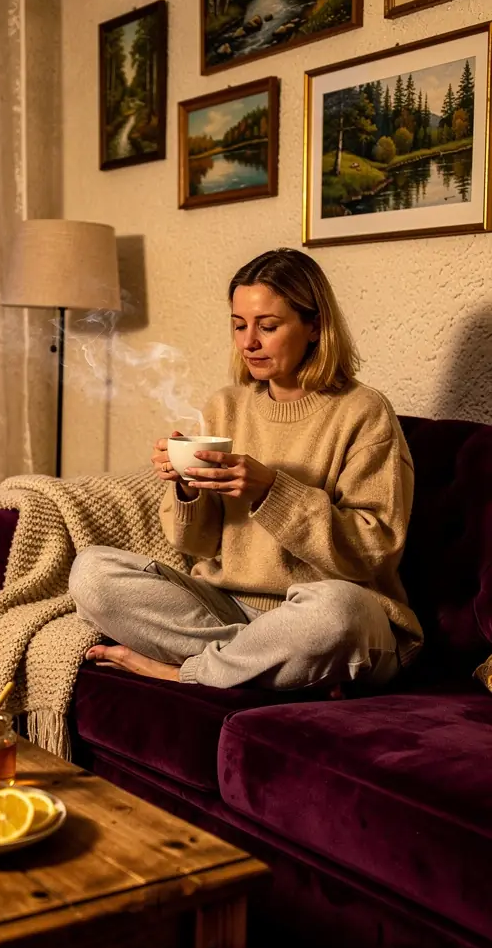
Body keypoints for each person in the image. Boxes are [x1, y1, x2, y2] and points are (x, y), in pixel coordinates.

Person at [68, 248, 423, 693]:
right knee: (92, 572)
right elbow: (194, 545)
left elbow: (375, 549)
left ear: (315, 326)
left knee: (339, 613)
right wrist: (186, 490)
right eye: (239, 325)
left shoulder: (363, 412)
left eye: (268, 327)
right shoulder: (226, 406)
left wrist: (272, 489)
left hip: (326, 611)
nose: (248, 342)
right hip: (230, 607)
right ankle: (268, 664)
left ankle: (189, 672)